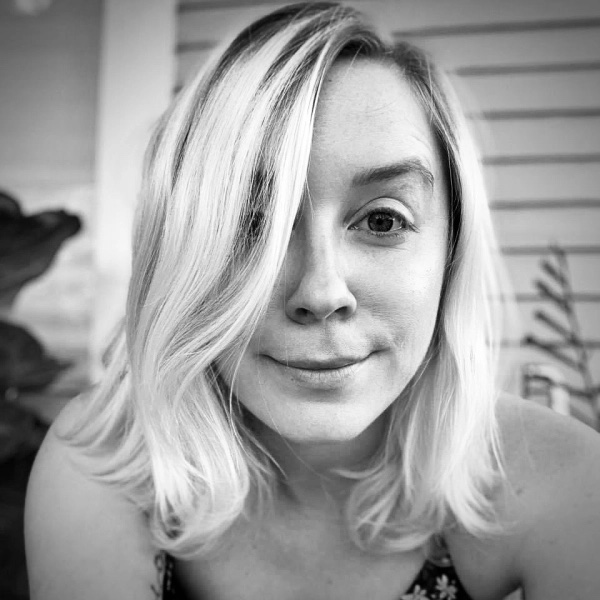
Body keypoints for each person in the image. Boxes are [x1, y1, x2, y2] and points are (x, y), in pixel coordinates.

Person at [24, 3, 600, 599]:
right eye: (253, 224)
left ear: (451, 253)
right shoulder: (105, 464)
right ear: (179, 255)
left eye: (382, 220)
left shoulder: (566, 484)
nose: (321, 293)